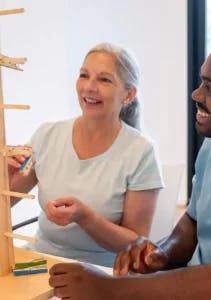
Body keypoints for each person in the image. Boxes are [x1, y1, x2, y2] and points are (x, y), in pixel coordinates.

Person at [49, 36, 211, 299]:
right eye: (202, 82)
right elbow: (194, 220)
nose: (196, 94)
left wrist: (109, 289)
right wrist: (163, 252)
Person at [9, 42, 164, 267]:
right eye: (84, 75)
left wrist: (85, 218)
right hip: (38, 261)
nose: (89, 87)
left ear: (128, 94)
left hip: (101, 272)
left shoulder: (141, 153)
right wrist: (5, 174)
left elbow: (137, 243)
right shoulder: (46, 135)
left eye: (104, 79)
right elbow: (9, 198)